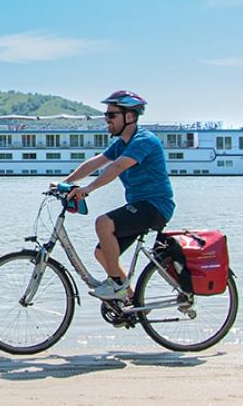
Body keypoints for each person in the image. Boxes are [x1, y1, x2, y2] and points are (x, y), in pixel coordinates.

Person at [61, 90, 174, 301]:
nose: (107, 119)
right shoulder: (121, 143)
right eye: (106, 115)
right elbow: (97, 162)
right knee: (103, 253)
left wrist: (88, 189)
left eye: (111, 115)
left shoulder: (144, 140)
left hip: (155, 206)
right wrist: (66, 183)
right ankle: (132, 303)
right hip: (140, 205)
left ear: (129, 116)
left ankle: (117, 283)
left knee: (103, 223)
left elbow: (117, 167)